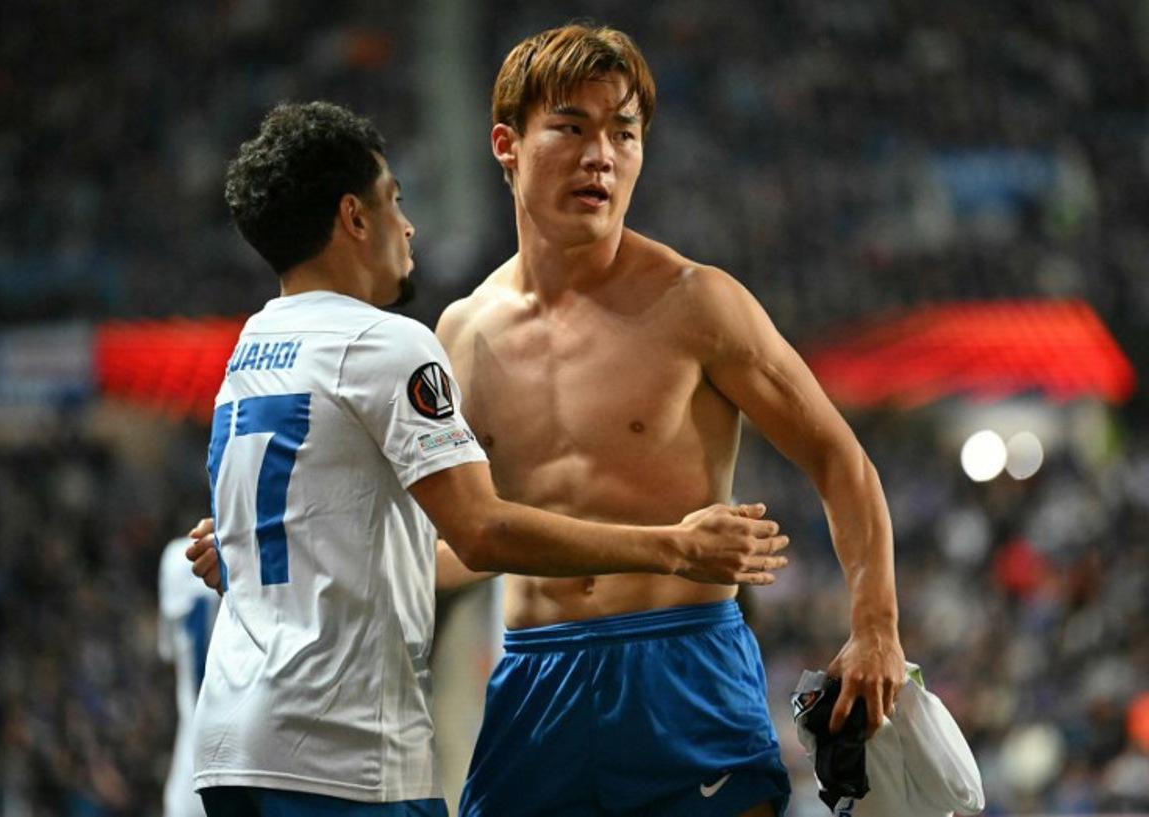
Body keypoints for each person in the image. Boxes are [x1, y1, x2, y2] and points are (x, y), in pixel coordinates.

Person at [189, 100, 788, 817]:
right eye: (395, 201)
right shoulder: (390, 343)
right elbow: (481, 530)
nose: (407, 226)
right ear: (354, 217)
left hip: (230, 741)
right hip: (341, 747)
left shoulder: (247, 352)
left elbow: (319, 539)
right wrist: (672, 546)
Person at [431, 24, 907, 817]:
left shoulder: (697, 302)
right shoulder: (461, 334)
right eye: (572, 127)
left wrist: (877, 625)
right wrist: (292, 556)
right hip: (534, 674)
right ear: (506, 144)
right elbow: (462, 544)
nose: (601, 156)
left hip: (684, 662)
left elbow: (839, 459)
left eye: (624, 132)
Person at [158, 536, 219, 817]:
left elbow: (169, 655)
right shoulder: (259, 550)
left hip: (189, 778)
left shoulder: (175, 559)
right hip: (251, 769)